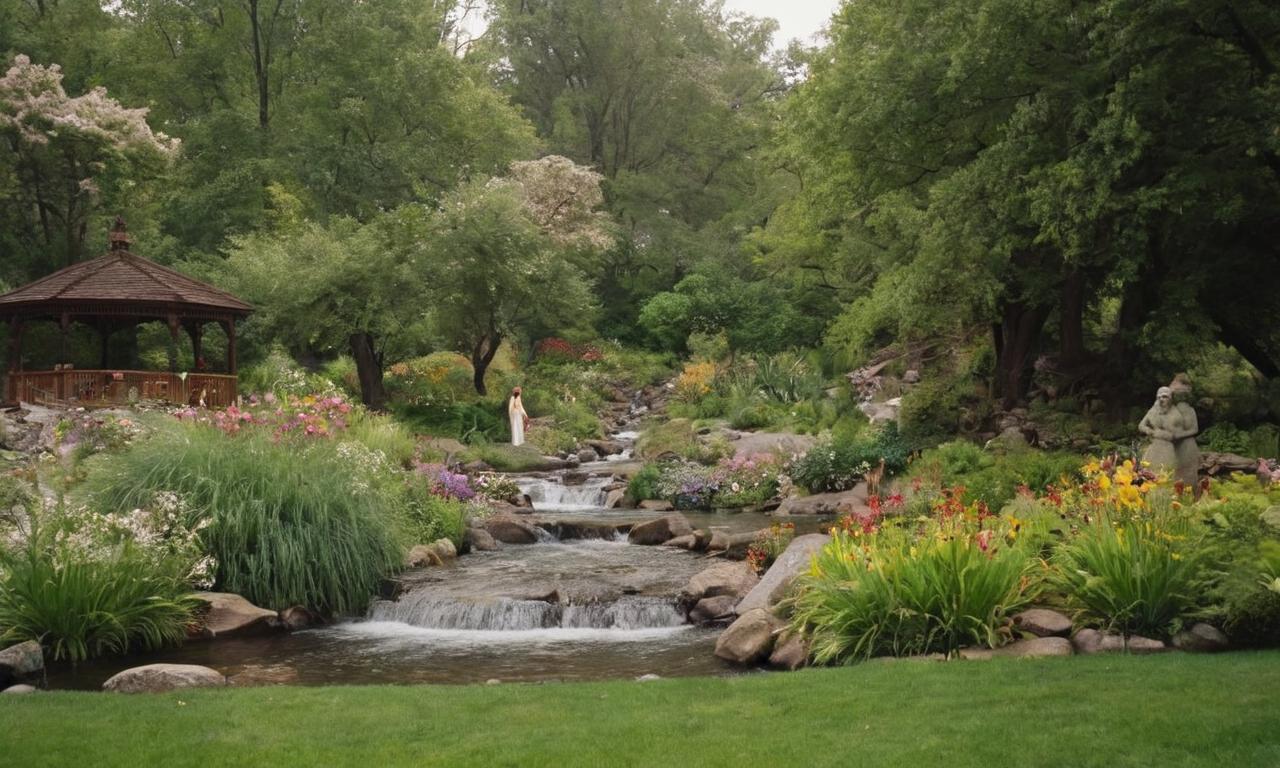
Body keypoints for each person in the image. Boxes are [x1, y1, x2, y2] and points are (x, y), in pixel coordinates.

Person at [1138, 386, 1180, 473]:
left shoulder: (1176, 412)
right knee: (1149, 471)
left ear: (1170, 398)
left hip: (1169, 447)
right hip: (1154, 445)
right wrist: (1149, 431)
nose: (1161, 399)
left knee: (1168, 471)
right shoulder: (1153, 410)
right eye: (1159, 397)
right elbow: (1141, 425)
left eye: (1164, 397)